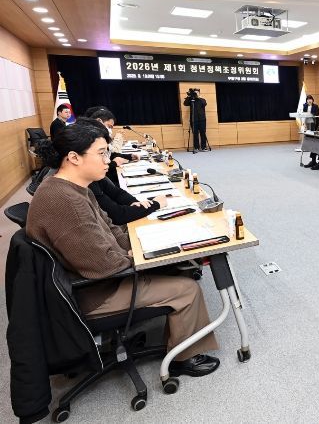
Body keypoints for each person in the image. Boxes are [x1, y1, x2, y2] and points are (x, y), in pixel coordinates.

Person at [27, 124, 221, 377]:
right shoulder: (65, 201)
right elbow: (102, 266)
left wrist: (136, 246)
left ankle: (177, 336)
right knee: (188, 289)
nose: (108, 160)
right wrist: (138, 257)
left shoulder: (72, 187)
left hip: (87, 280)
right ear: (74, 157)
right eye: (101, 153)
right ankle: (183, 358)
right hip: (92, 294)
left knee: (178, 265)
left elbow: (110, 227)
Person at [90, 110, 139, 184]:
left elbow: (110, 153)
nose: (110, 130)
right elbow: (96, 168)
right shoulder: (91, 139)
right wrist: (114, 163)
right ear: (99, 121)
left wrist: (129, 156)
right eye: (109, 126)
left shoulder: (100, 137)